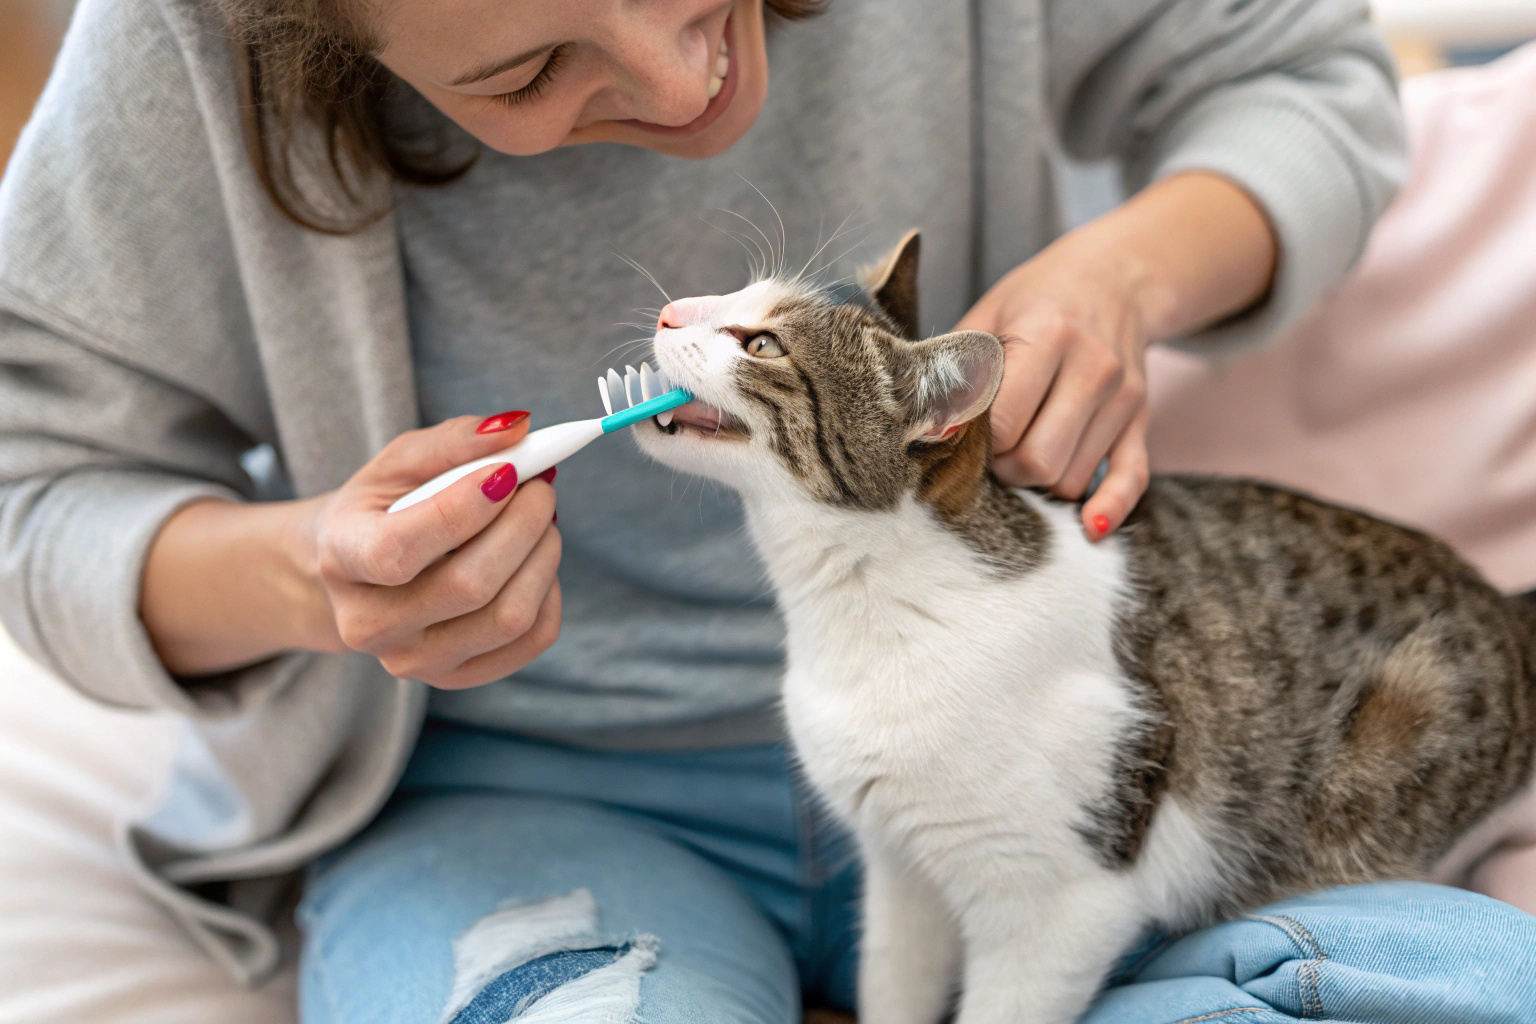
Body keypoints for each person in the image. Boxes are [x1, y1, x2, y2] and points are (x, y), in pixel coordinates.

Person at [4, 0, 1531, 1020]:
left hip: (1069, 794)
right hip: (540, 800)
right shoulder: (177, 50)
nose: (688, 87)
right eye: (525, 71)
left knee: (1426, 982)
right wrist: (304, 574)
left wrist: (1126, 273)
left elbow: (1305, 69)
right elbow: (35, 484)